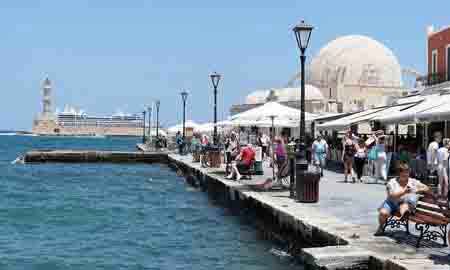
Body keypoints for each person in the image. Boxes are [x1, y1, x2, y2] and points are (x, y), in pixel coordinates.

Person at [375, 162, 431, 236]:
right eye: (403, 173)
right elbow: (391, 196)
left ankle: (404, 215)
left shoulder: (413, 182)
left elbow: (427, 188)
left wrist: (418, 189)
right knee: (383, 213)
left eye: (407, 173)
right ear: (399, 173)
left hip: (403, 204)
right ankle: (381, 226)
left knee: (404, 205)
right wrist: (404, 192)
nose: (405, 175)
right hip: (391, 203)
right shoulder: (392, 182)